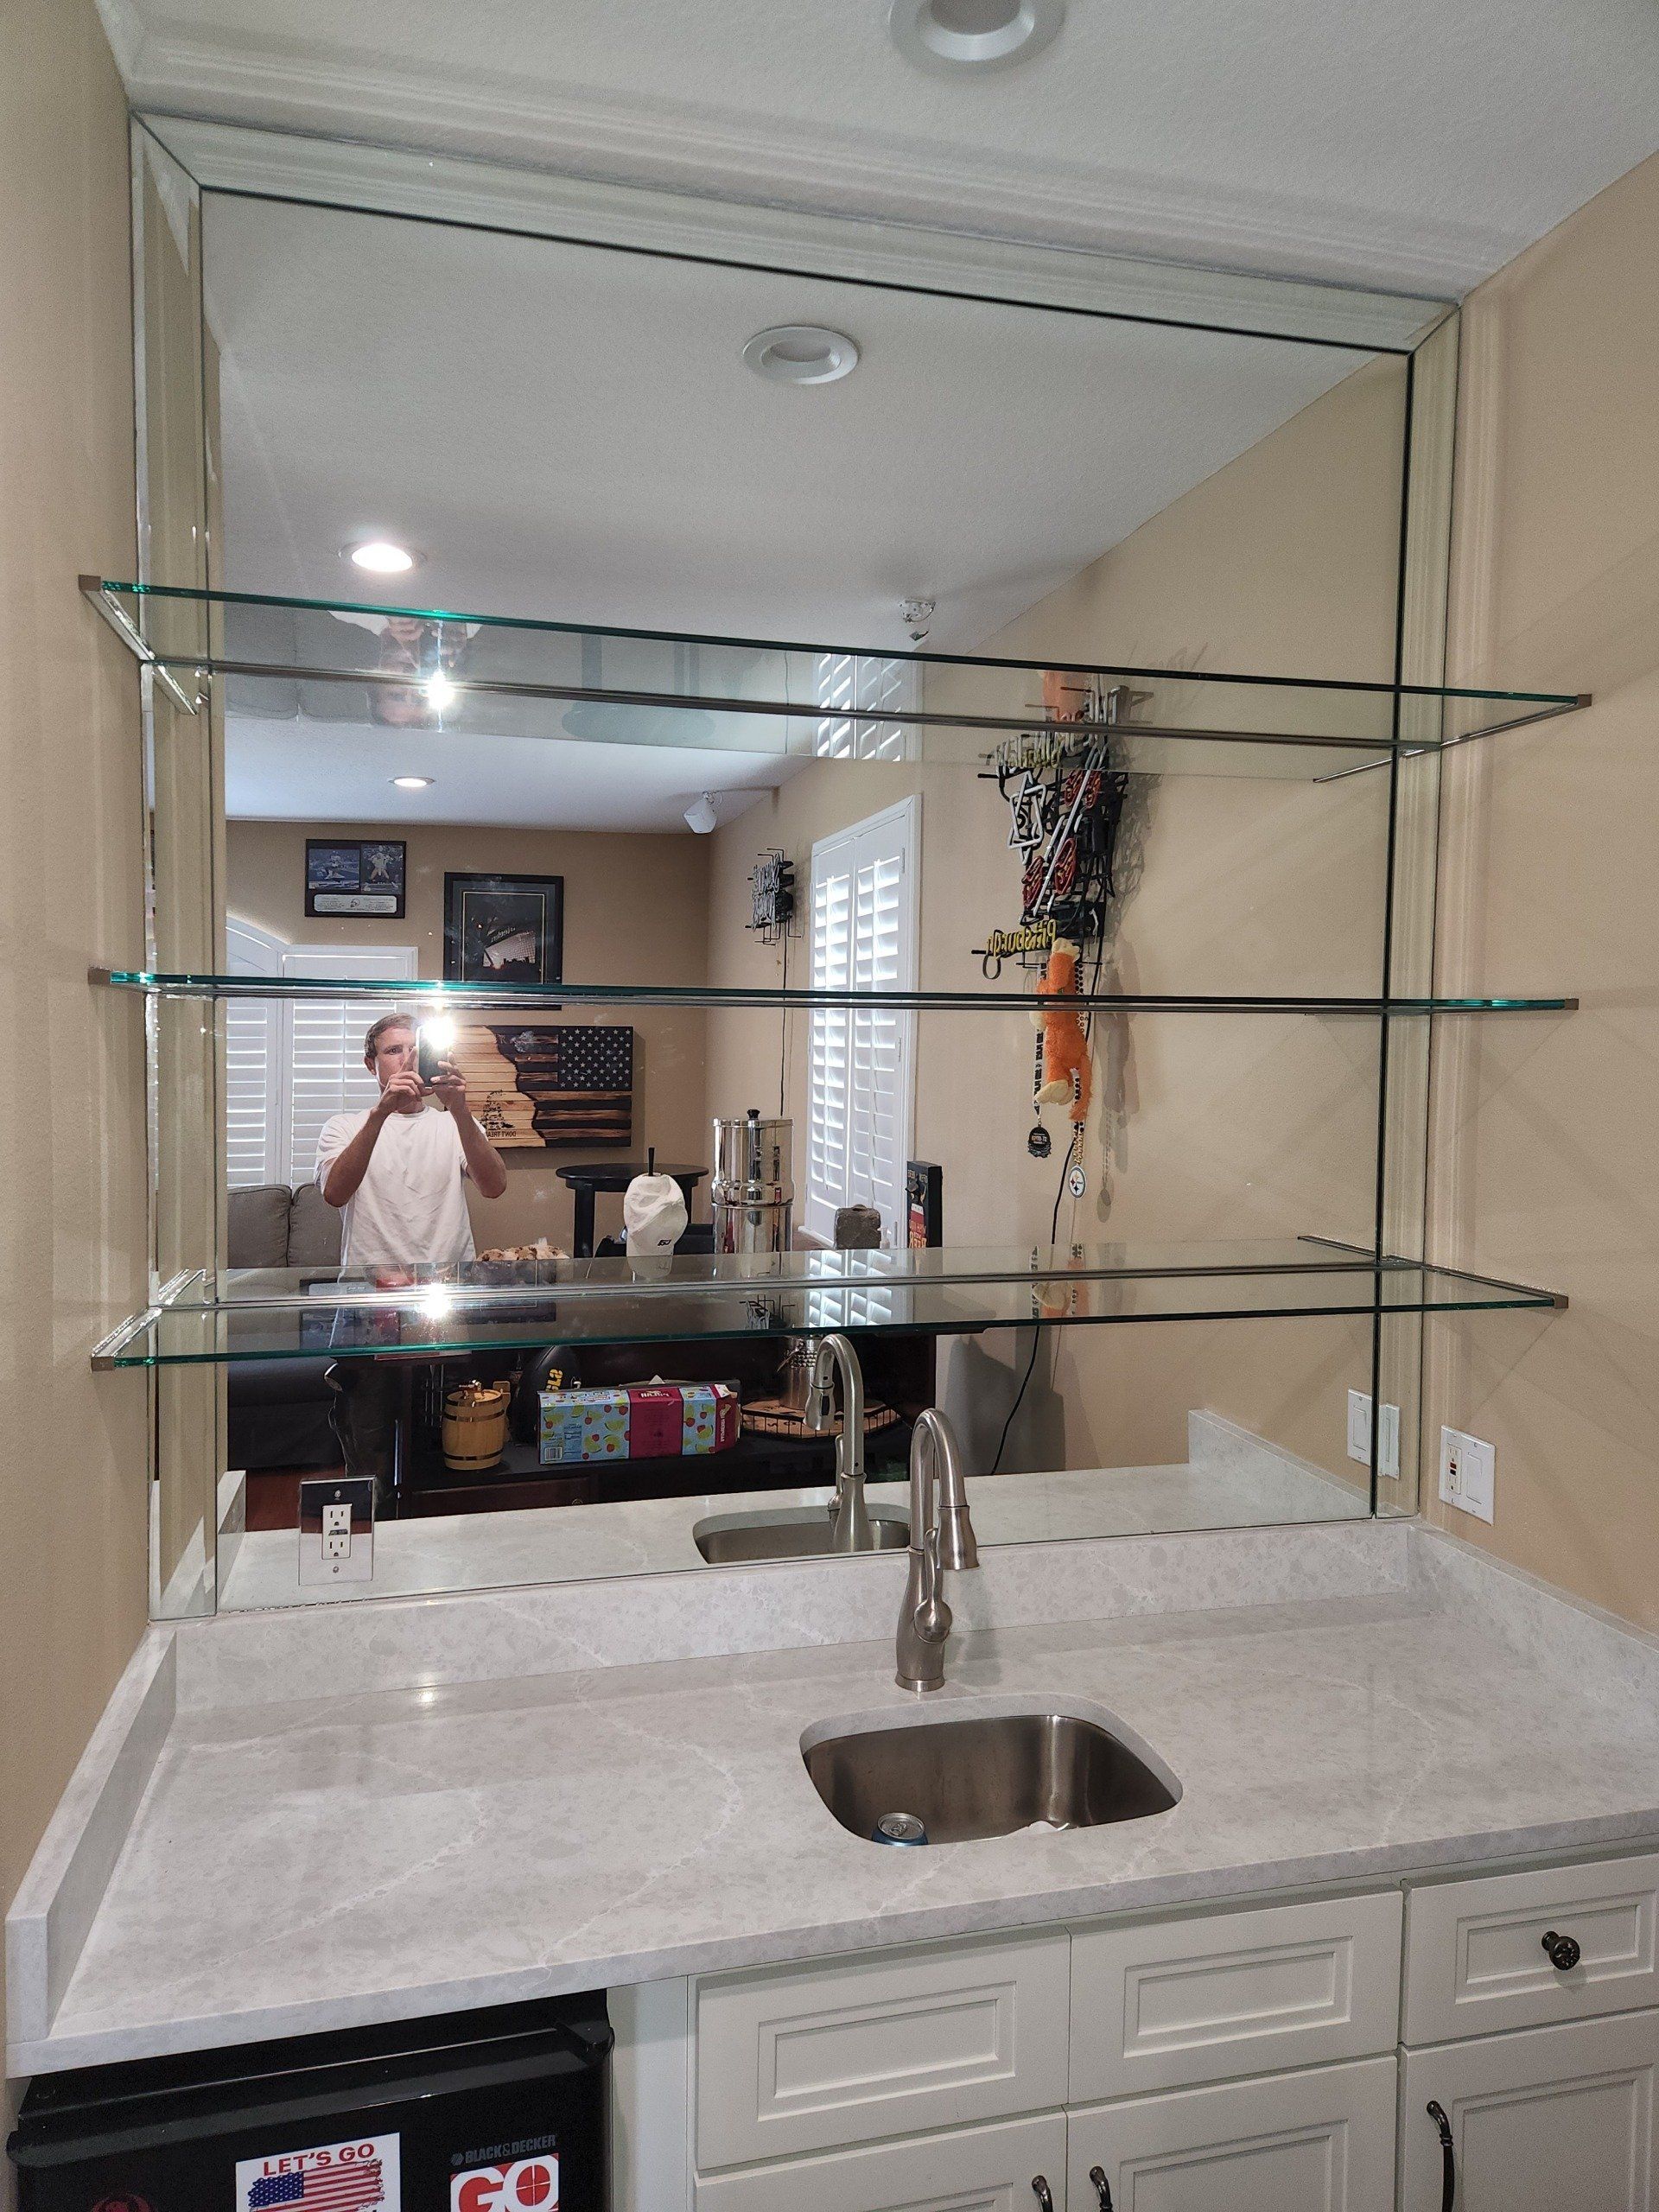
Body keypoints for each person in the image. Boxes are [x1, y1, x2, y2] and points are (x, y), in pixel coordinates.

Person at [317, 1014, 508, 1496]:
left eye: (412, 1049)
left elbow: (494, 1186)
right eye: (392, 1050)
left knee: (457, 1432)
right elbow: (335, 1193)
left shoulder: (451, 1125)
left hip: (446, 1295)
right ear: (371, 1064)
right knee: (368, 1437)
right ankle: (378, 1532)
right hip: (367, 1299)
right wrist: (380, 1114)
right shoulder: (344, 1125)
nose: (405, 1059)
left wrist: (461, 1109)